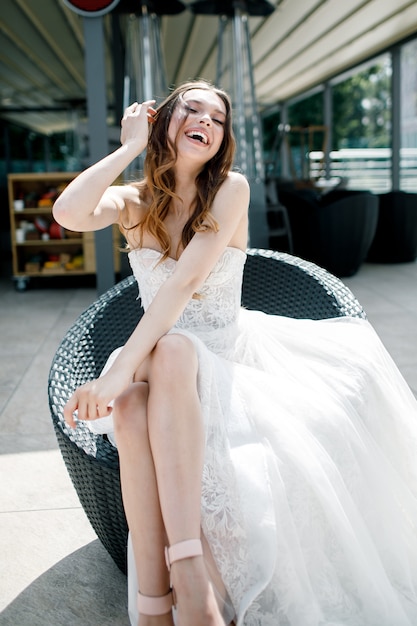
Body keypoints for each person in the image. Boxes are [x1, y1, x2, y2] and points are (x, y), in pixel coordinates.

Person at [53, 79, 417, 626]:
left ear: (222, 138)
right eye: (190, 110)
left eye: (217, 118)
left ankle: (158, 599)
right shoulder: (134, 200)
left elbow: (184, 283)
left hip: (223, 353)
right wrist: (128, 148)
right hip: (158, 354)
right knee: (169, 355)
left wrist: (119, 371)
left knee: (132, 402)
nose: (205, 120)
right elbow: (68, 213)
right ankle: (185, 581)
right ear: (162, 122)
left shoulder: (230, 188)